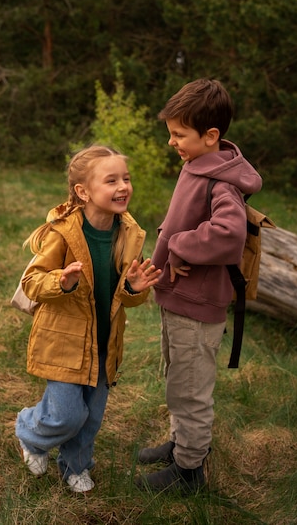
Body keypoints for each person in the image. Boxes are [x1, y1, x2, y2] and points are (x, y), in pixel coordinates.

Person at [135, 78, 262, 495]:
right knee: (178, 377)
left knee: (191, 388)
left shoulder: (222, 181)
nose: (172, 142)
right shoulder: (197, 164)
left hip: (197, 303)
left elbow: (228, 234)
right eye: (170, 133)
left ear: (211, 136)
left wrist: (179, 245)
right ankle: (180, 444)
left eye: (178, 135)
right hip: (178, 299)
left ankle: (189, 471)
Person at [15, 145, 161, 493]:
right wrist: (61, 283)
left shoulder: (129, 234)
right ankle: (30, 432)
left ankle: (76, 465)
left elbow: (130, 298)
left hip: (104, 342)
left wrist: (132, 287)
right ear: (83, 191)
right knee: (68, 415)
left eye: (125, 179)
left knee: (91, 418)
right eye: (111, 180)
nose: (123, 186)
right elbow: (31, 282)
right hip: (63, 341)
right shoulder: (63, 232)